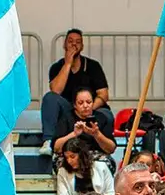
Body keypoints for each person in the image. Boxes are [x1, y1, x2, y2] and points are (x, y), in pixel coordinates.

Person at [41, 29, 112, 157]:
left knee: (107, 115)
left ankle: (103, 147)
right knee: (49, 98)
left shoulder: (93, 66)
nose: (74, 45)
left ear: (82, 46)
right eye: (71, 41)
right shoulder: (57, 67)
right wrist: (68, 64)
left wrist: (87, 107)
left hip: (92, 108)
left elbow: (103, 95)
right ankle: (48, 141)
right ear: (64, 45)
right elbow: (56, 90)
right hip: (69, 108)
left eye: (78, 42)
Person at [52, 88, 115, 155]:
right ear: (74, 105)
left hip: (95, 157)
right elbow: (56, 148)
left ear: (93, 103)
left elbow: (111, 149)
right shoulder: (66, 118)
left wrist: (97, 134)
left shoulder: (101, 118)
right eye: (80, 103)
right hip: (71, 157)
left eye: (89, 102)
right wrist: (74, 134)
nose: (85, 106)